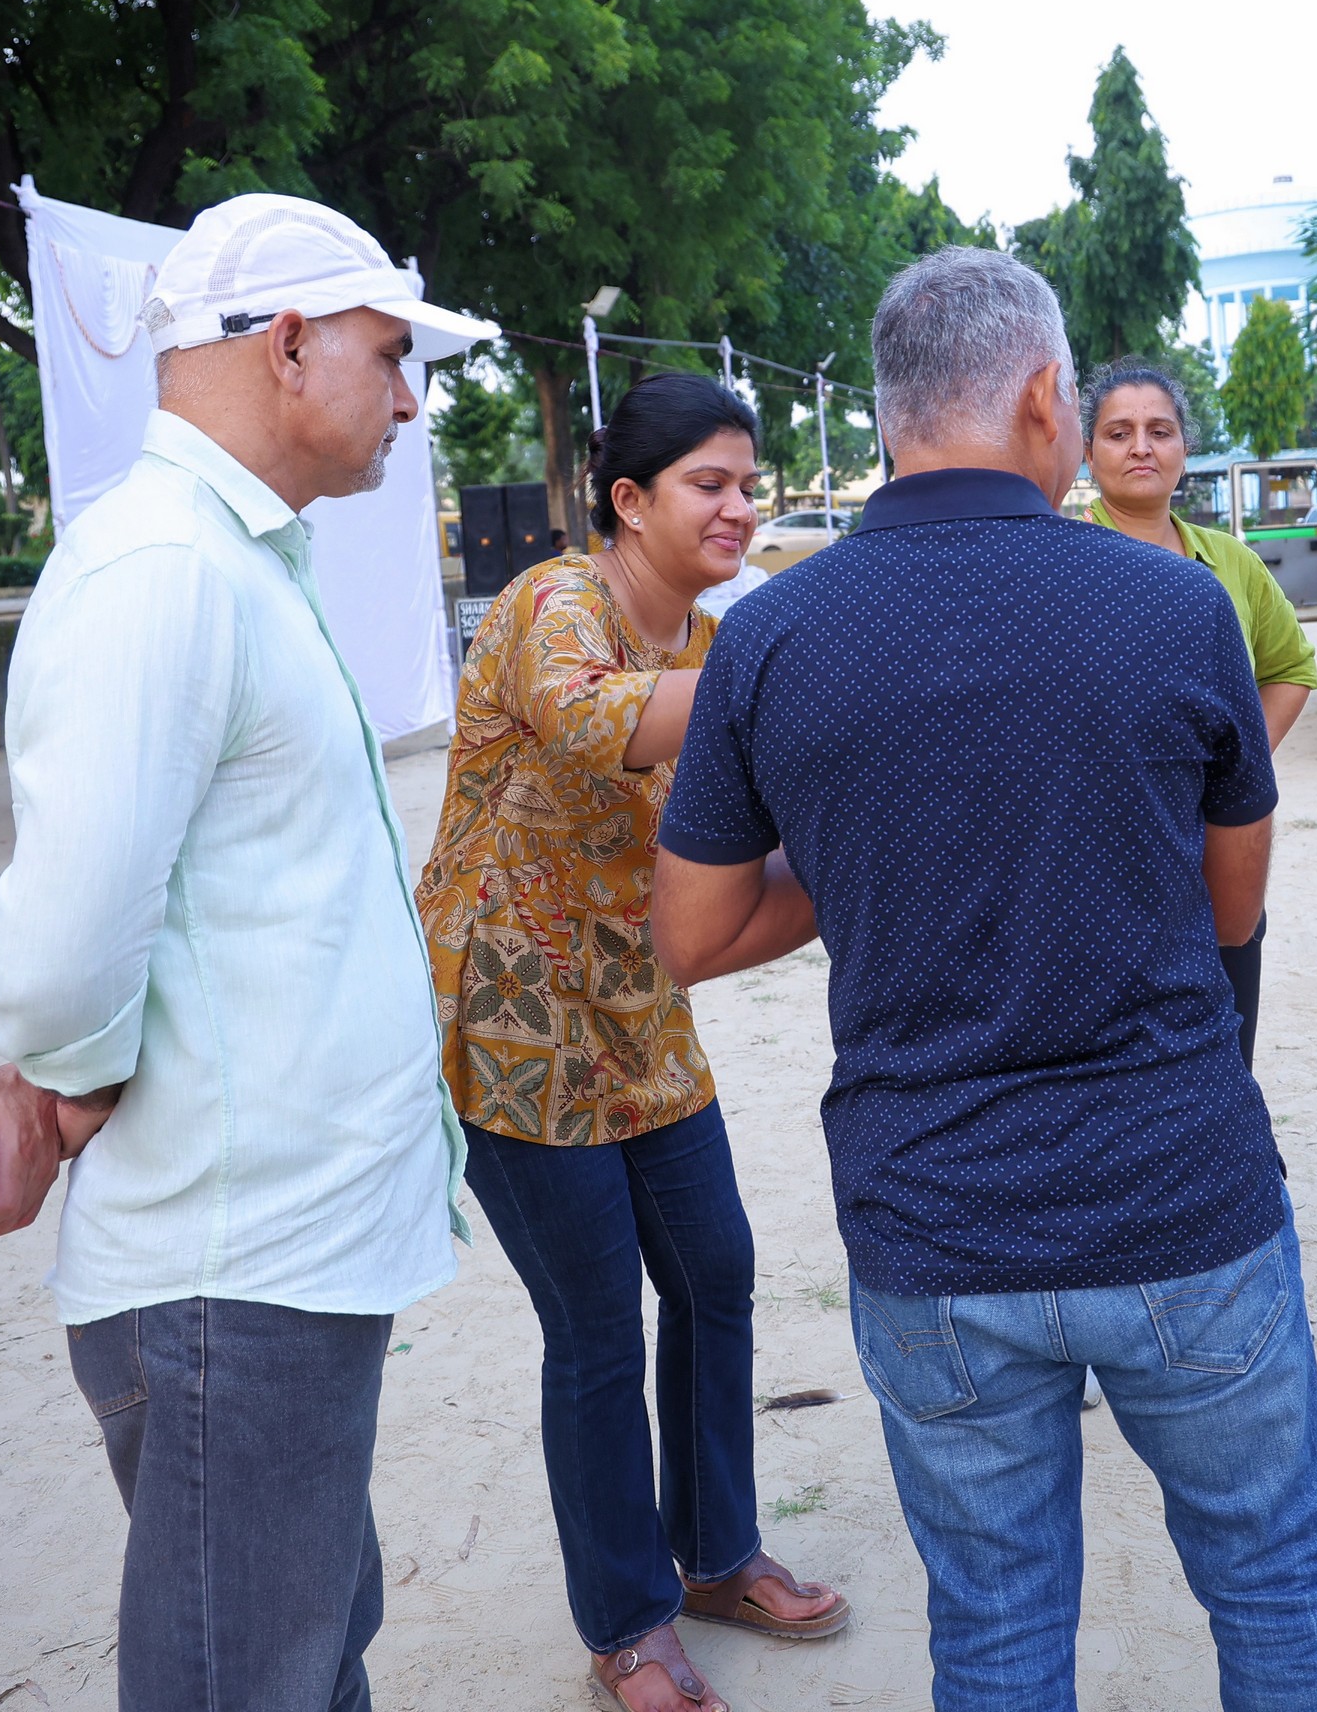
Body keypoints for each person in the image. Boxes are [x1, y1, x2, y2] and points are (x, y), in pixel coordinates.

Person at [650, 248, 1317, 1712]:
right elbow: (1234, 903)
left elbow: (695, 934)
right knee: (1277, 1587)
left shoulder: (772, 633)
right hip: (1180, 1194)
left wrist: (871, 857)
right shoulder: (1179, 608)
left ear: (887, 411)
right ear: (1049, 397)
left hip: (936, 1220)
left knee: (993, 1629)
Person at [0, 194, 482, 1710]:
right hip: (236, 1266)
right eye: (389, 355)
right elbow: (67, 945)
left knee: (305, 1644)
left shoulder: (232, 559)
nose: (408, 400)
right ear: (286, 345)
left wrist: (55, 1075)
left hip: (280, 1255)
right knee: (247, 1676)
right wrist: (63, 1087)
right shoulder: (161, 569)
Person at [415, 373, 851, 1712]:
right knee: (598, 1324)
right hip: (511, 1022)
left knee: (717, 1271)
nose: (739, 507)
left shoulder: (717, 642)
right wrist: (781, 677)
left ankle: (716, 1556)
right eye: (708, 483)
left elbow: (763, 834)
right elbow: (595, 718)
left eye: (747, 484)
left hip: (639, 1008)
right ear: (628, 499)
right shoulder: (556, 603)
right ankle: (626, 1624)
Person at [1081, 364, 1317, 1069]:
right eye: (1118, 433)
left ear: (1186, 448)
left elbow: (1291, 668)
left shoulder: (1231, 564)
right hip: (1106, 851)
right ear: (1087, 452)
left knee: (1226, 1035)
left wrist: (1239, 770)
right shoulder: (1063, 563)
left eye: (1160, 431)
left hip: (1219, 845)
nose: (1141, 447)